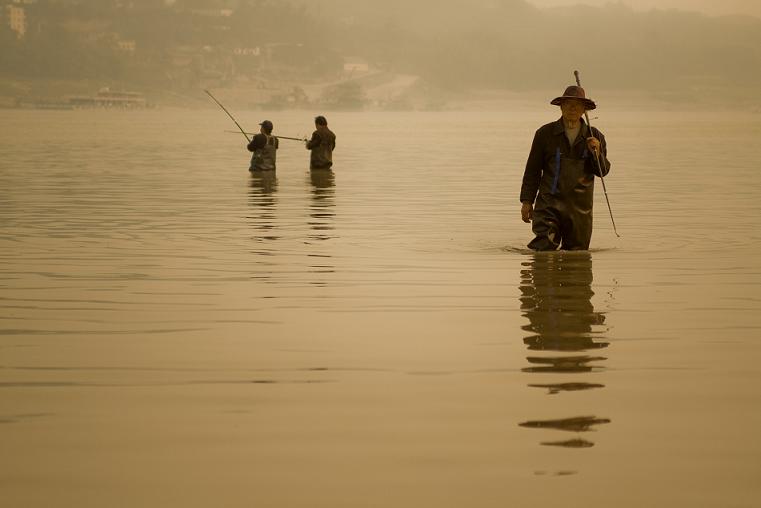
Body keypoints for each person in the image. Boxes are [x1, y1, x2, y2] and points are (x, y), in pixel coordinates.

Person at [520, 86, 611, 251]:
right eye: (568, 103)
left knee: (577, 259)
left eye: (577, 105)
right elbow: (532, 171)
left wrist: (596, 153)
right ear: (561, 107)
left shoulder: (595, 136)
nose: (572, 108)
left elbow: (602, 171)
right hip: (548, 204)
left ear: (584, 110)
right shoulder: (544, 134)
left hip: (580, 209)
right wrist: (527, 201)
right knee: (543, 250)